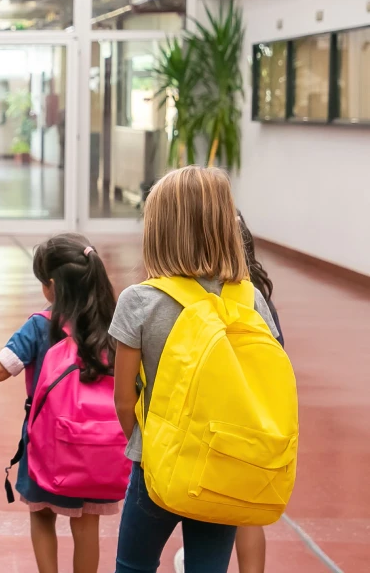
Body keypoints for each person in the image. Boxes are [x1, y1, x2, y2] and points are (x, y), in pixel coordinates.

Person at [110, 166, 282, 573]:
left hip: (156, 464)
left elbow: (122, 398)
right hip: (223, 463)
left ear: (159, 229)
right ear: (226, 225)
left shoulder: (140, 301)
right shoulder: (250, 299)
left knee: (133, 565)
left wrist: (143, 442)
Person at [0, 233, 122, 573]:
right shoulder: (112, 325)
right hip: (99, 444)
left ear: (51, 286)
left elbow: (1, 370)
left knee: (42, 514)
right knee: (87, 524)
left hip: (48, 440)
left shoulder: (39, 326)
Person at [173, 210, 283, 573]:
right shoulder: (259, 298)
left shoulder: (203, 297)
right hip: (256, 418)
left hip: (215, 420)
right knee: (247, 509)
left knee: (208, 503)